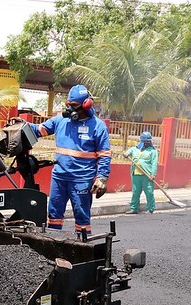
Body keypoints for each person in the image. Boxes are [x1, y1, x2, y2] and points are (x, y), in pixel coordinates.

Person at [29, 85, 111, 235]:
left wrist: (102, 178)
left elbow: (104, 155)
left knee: (81, 216)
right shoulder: (60, 120)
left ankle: (83, 246)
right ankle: (52, 242)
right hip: (59, 177)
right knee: (53, 214)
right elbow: (39, 130)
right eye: (68, 105)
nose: (69, 110)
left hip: (82, 179)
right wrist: (22, 125)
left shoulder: (98, 127)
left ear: (86, 105)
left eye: (74, 106)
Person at [124, 131, 158, 214]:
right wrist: (125, 154)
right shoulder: (134, 149)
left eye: (148, 141)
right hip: (136, 175)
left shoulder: (153, 151)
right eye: (146, 141)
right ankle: (134, 208)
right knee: (135, 192)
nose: (147, 143)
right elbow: (126, 153)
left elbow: (154, 163)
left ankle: (150, 209)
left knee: (149, 192)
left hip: (147, 175)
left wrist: (153, 174)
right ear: (141, 141)